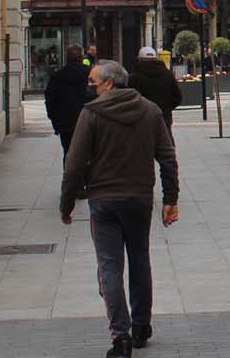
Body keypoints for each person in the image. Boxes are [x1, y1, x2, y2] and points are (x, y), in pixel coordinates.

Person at [61, 60, 179, 358]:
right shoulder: (150, 110)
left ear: (109, 83)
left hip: (104, 201)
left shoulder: (91, 114)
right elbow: (167, 157)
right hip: (139, 199)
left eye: (94, 82)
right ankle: (141, 325)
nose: (90, 87)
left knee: (109, 266)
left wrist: (67, 203)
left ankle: (121, 335)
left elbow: (74, 164)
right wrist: (170, 199)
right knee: (140, 260)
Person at [44, 44, 92, 158]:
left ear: (66, 58)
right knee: (89, 154)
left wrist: (55, 122)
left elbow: (50, 100)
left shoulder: (57, 76)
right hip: (88, 122)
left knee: (68, 153)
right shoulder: (91, 74)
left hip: (66, 124)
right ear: (82, 57)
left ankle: (70, 174)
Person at [128, 46, 181, 134]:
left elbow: (130, 99)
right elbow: (177, 97)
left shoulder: (134, 77)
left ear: (139, 59)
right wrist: (167, 108)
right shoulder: (168, 75)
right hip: (164, 117)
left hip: (141, 118)